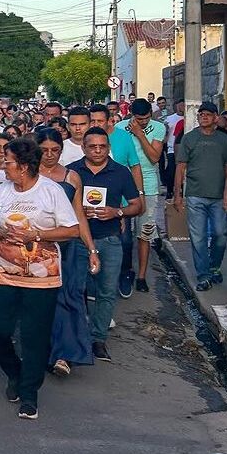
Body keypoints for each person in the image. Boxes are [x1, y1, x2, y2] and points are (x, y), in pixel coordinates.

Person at [0, 137, 80, 420]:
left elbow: (71, 229)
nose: (4, 164)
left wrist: (36, 235)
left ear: (23, 166)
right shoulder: (3, 191)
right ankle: (14, 372)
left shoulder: (50, 191)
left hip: (41, 277)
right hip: (4, 272)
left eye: (8, 161)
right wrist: (2, 233)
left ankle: (29, 394)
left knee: (34, 337)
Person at [68, 127, 142, 362]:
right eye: (93, 146)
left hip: (110, 239)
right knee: (76, 290)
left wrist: (116, 212)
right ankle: (76, 337)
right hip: (78, 240)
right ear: (83, 148)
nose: (98, 150)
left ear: (108, 148)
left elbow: (137, 205)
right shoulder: (72, 172)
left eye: (102, 146)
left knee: (107, 291)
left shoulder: (120, 172)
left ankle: (98, 339)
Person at [35, 129, 97, 377]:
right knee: (41, 303)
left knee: (69, 298)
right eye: (44, 150)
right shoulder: (29, 176)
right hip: (37, 248)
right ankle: (42, 350)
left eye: (55, 150)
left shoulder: (72, 177)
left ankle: (64, 354)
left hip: (68, 247)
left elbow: (78, 215)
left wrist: (91, 248)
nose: (49, 155)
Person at [174, 102, 227, 291]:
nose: (203, 117)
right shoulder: (190, 138)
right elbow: (180, 167)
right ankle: (204, 275)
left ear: (216, 118)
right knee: (198, 237)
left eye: (208, 114)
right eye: (201, 114)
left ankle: (214, 266)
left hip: (218, 197)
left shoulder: (224, 140)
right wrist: (178, 195)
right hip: (195, 195)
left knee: (220, 234)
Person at [116, 98, 166, 294]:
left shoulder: (158, 127)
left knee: (144, 234)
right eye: (139, 119)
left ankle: (142, 275)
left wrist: (140, 134)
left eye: (146, 118)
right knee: (124, 236)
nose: (143, 121)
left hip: (149, 185)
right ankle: (125, 271)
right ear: (131, 115)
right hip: (123, 186)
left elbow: (154, 157)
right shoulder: (120, 128)